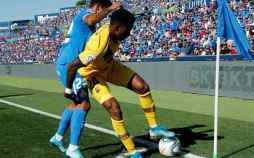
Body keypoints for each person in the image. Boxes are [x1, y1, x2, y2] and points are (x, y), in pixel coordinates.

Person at [66, 9, 176, 158]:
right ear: (117, 28)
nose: (129, 33)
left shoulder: (114, 30)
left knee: (142, 87)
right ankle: (131, 151)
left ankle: (153, 128)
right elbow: (72, 66)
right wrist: (68, 89)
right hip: (93, 74)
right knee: (114, 108)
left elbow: (114, 16)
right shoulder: (97, 47)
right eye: (128, 30)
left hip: (109, 66)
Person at [50, 1, 121, 158]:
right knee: (84, 104)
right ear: (97, 7)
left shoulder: (87, 21)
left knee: (76, 103)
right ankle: (73, 147)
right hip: (70, 65)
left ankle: (58, 137)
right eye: (104, 8)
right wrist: (111, 9)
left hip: (69, 64)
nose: (104, 14)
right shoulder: (84, 14)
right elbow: (90, 20)